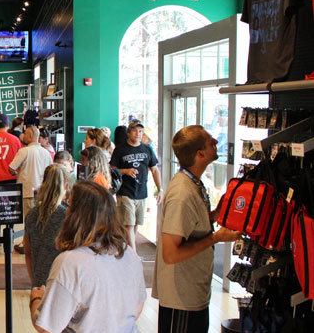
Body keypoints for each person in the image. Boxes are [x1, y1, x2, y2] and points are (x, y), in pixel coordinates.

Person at [153, 125, 242, 333]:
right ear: (200, 153)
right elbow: (171, 253)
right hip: (181, 297)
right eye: (211, 141)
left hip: (193, 291)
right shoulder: (182, 195)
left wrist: (215, 215)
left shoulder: (193, 184)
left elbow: (191, 226)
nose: (217, 143)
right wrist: (216, 238)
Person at [29, 181, 145, 333]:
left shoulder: (70, 263)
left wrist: (35, 299)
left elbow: (46, 327)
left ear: (76, 216)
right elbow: (137, 308)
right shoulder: (129, 254)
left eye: (69, 205)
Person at [110, 121, 162, 249]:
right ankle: (133, 253)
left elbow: (155, 169)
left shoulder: (147, 149)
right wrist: (125, 171)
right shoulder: (120, 149)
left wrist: (160, 189)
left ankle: (127, 248)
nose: (138, 134)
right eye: (135, 131)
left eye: (140, 131)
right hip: (125, 191)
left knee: (135, 223)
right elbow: (112, 170)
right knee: (129, 224)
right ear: (129, 133)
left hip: (141, 191)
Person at [23, 164, 70, 287]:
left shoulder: (31, 215)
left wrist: (35, 281)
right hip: (63, 281)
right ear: (66, 186)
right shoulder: (68, 216)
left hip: (39, 281)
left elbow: (28, 253)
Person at [9, 127, 53, 254]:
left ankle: (27, 244)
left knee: (29, 220)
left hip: (27, 190)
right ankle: (36, 243)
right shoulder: (46, 153)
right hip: (42, 192)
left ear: (29, 136)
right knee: (40, 218)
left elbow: (11, 168)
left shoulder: (24, 151)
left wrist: (18, 173)